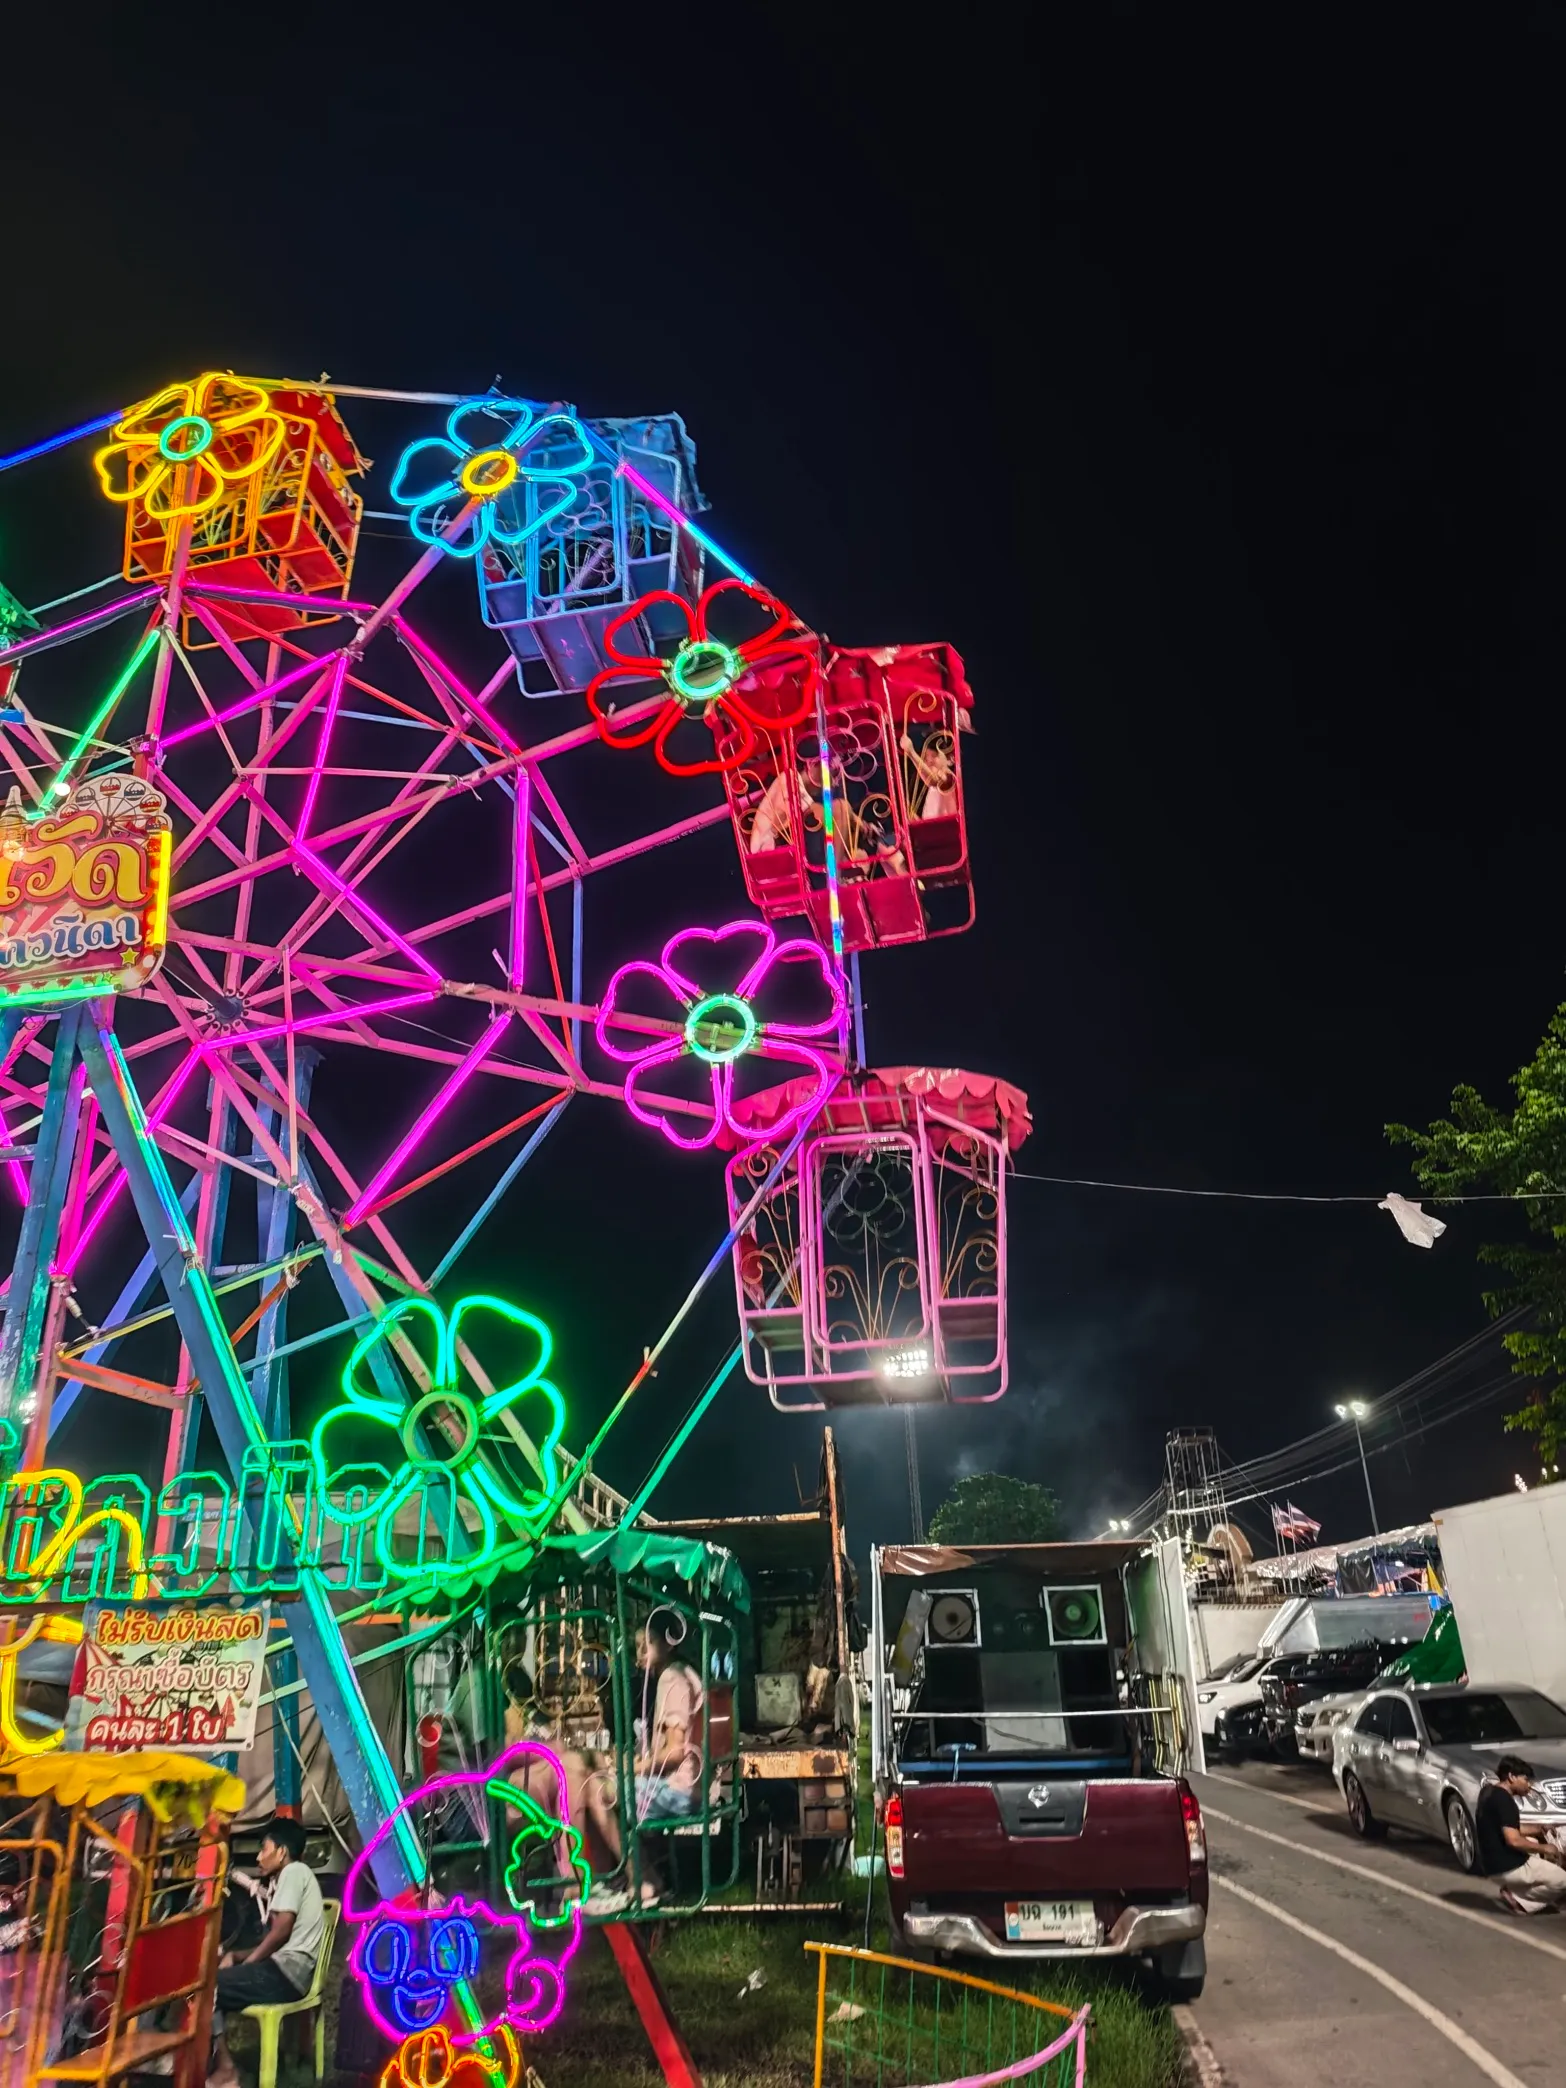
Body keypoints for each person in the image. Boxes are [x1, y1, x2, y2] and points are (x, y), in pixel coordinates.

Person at [574, 1611, 706, 1912]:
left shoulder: (673, 1679)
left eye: (649, 1643)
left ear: (669, 1644)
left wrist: (628, 1768)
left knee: (594, 1790)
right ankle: (636, 1877)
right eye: (637, 1645)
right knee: (599, 1785)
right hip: (684, 1785)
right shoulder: (680, 1673)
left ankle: (636, 1880)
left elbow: (674, 1754)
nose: (641, 1652)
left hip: (678, 1790)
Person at [208, 1819, 325, 2087]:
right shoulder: (294, 1876)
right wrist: (236, 1957)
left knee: (205, 1988)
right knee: (212, 1986)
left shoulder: (293, 1872)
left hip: (285, 1976)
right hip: (284, 1972)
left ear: (282, 1852)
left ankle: (225, 2069)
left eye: (265, 1848)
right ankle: (215, 2064)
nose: (259, 1856)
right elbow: (277, 1939)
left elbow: (281, 1931)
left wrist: (247, 1963)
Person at [1475, 1756, 1566, 1914]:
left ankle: (1518, 1887)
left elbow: (1510, 1828)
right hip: (1506, 1867)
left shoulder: (1490, 1793)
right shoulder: (1505, 1802)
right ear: (1511, 1777)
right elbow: (1513, 1840)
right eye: (1526, 1780)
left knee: (1530, 1840)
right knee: (1563, 1880)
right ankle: (1519, 1899)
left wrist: (1540, 1828)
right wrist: (1545, 1847)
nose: (1529, 1786)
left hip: (1489, 1864)